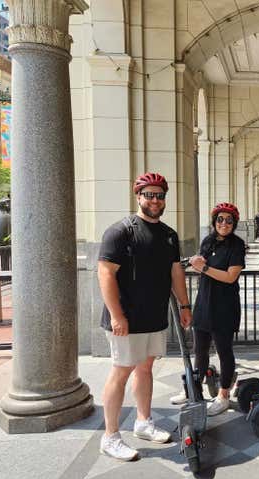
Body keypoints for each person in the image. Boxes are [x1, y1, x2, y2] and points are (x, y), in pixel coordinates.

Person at [97, 172, 192, 462]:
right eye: (148, 194)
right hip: (125, 319)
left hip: (154, 316)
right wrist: (117, 315)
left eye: (159, 195)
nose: (154, 200)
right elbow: (105, 273)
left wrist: (185, 305)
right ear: (138, 196)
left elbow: (176, 271)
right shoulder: (120, 231)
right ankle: (110, 436)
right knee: (121, 371)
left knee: (146, 369)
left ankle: (143, 421)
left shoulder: (168, 234)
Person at [170, 202, 245, 416]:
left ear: (234, 223)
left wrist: (203, 267)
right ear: (214, 221)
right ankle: (193, 389)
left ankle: (223, 394)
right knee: (199, 350)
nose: (224, 223)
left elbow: (230, 277)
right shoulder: (208, 241)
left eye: (229, 220)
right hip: (204, 302)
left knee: (224, 351)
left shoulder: (237, 245)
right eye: (220, 219)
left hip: (225, 306)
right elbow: (202, 266)